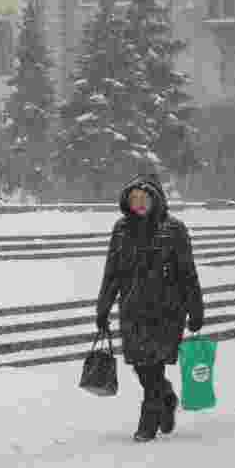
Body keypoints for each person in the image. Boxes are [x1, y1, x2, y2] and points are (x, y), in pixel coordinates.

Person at [95, 173, 205, 442]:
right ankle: (166, 398)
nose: (139, 203)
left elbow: (187, 273)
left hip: (167, 310)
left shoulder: (174, 229)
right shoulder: (121, 229)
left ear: (156, 199)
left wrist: (196, 309)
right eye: (134, 199)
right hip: (132, 310)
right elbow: (112, 272)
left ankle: (148, 420)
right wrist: (103, 307)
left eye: (144, 198)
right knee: (142, 366)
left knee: (153, 365)